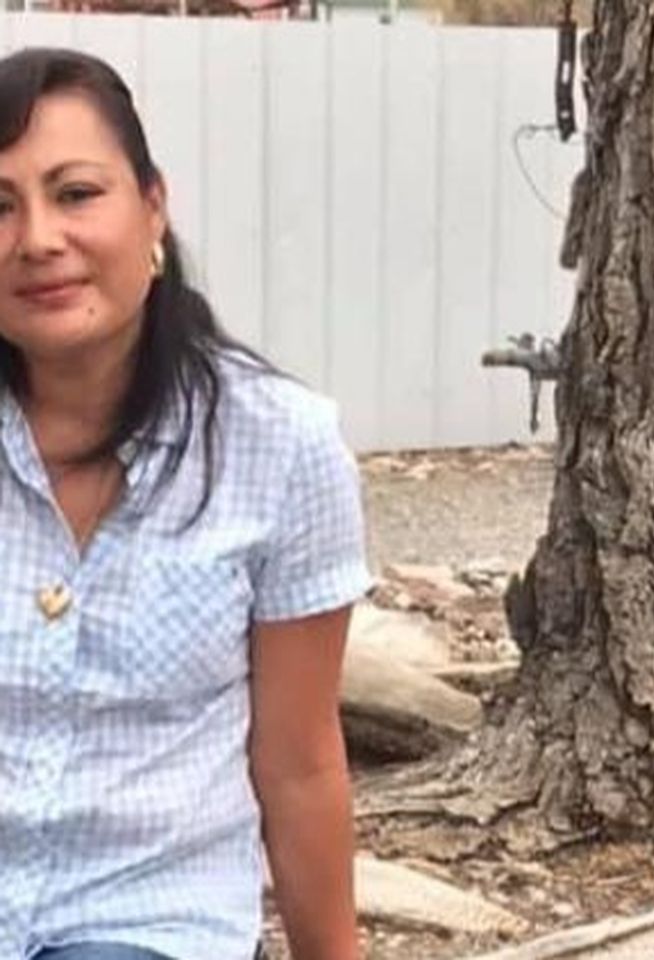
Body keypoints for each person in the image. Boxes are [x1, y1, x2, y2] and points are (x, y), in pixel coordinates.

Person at [0, 48, 371, 960]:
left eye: (76, 193)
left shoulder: (277, 445)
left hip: (147, 922)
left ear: (153, 208)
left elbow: (299, 765)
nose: (37, 238)